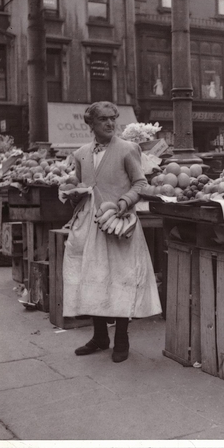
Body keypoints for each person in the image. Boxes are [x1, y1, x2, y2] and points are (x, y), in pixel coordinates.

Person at [62, 101, 162, 363]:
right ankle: (99, 337)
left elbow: (141, 182)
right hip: (89, 223)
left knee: (121, 279)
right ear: (91, 124)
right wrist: (73, 195)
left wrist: (124, 201)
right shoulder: (82, 153)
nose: (109, 123)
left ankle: (121, 339)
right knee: (93, 278)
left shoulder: (128, 149)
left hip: (119, 222)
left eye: (112, 119)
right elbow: (84, 186)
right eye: (103, 119)